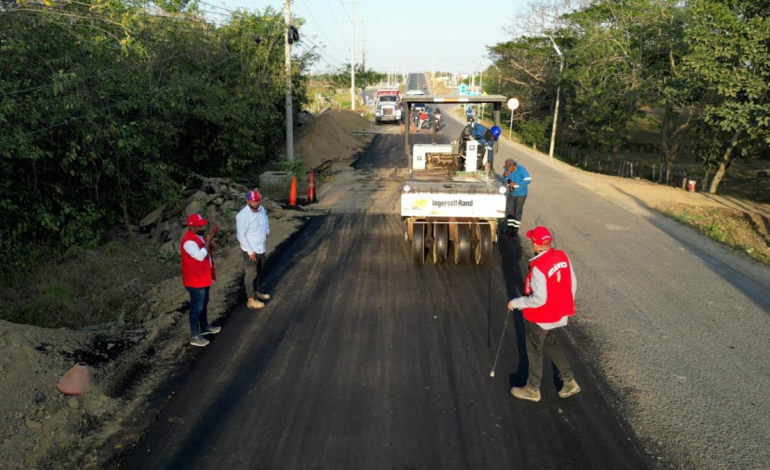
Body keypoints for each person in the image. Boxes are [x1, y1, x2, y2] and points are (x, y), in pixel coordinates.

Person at [507, 226, 580, 402]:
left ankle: (532, 389)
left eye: (533, 241)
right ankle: (569, 381)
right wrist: (562, 305)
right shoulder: (562, 257)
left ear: (537, 245)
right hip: (558, 315)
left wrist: (517, 303)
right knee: (552, 344)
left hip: (540, 318)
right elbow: (573, 283)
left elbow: (539, 298)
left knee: (535, 351)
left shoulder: (539, 267)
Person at [181, 213, 222, 347]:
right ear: (192, 227)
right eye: (201, 225)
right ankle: (194, 336)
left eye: (204, 224)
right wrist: (209, 240)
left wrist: (211, 244)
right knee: (196, 307)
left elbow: (205, 248)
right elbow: (199, 256)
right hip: (195, 280)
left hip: (203, 277)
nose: (204, 226)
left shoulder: (199, 237)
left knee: (204, 303)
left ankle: (204, 327)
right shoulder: (188, 241)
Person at [236, 190, 271, 309]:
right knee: (251, 274)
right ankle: (251, 299)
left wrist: (267, 232)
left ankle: (256, 291)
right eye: (253, 201)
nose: (256, 203)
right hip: (250, 251)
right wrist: (250, 251)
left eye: (257, 200)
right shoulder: (242, 216)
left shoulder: (262, 210)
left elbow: (266, 223)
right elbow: (241, 235)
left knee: (259, 270)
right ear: (247, 201)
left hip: (261, 247)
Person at [502, 159, 532, 236]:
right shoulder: (506, 170)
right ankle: (509, 229)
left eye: (509, 168)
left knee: (517, 212)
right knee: (510, 211)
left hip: (521, 194)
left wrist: (516, 183)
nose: (507, 169)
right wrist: (504, 176)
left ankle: (515, 230)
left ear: (513, 166)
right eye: (506, 168)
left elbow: (528, 180)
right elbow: (503, 179)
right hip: (511, 193)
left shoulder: (522, 170)